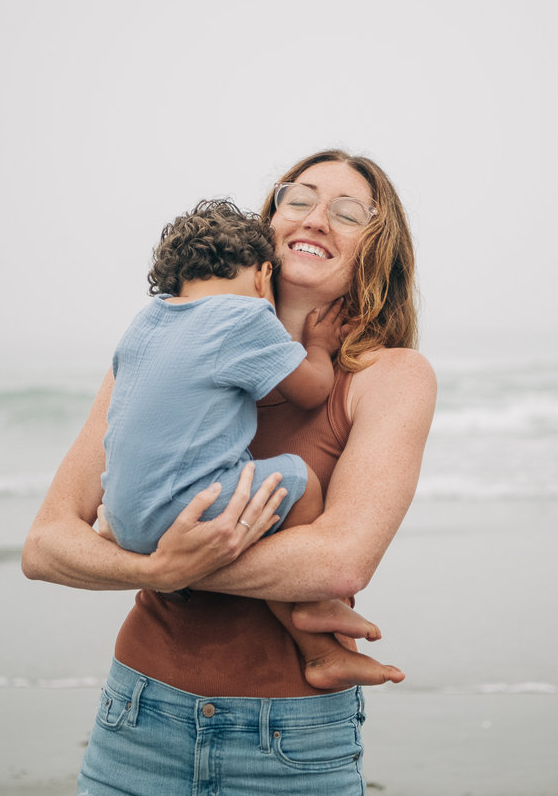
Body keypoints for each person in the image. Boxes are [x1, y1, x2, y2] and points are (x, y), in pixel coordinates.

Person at [22, 149, 436, 796]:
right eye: (298, 198)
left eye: (348, 211)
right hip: (138, 717)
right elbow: (45, 545)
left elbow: (339, 564)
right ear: (265, 231)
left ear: (376, 251)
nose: (318, 217)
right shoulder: (159, 350)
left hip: (291, 740)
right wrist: (153, 571)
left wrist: (167, 560)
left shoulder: (392, 377)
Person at [99, 197, 404, 690]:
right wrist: (320, 347)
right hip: (182, 511)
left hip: (119, 518)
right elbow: (311, 391)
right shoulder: (244, 319)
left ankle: (317, 635)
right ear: (264, 274)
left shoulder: (147, 322)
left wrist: (159, 567)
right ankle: (312, 619)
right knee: (298, 482)